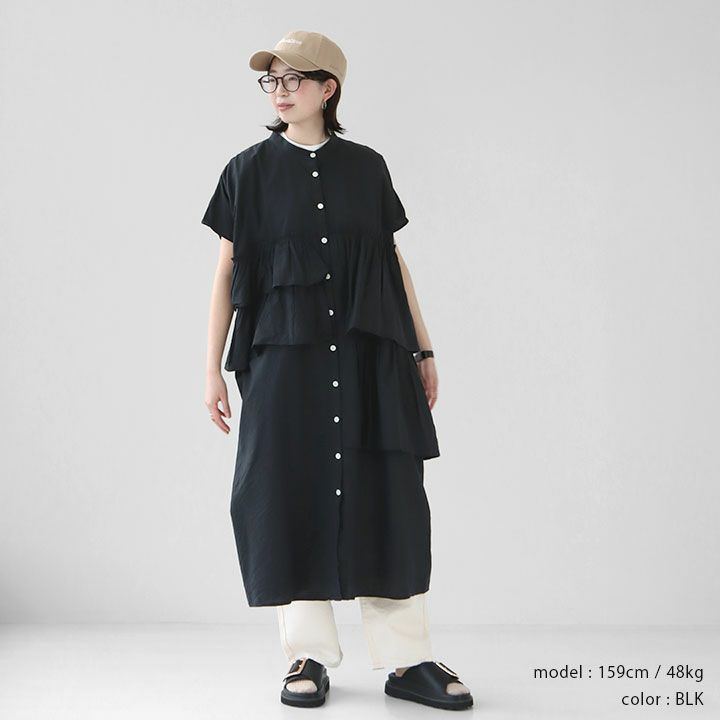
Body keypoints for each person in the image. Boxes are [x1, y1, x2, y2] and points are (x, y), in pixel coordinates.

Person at [201, 29, 473, 711]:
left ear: (329, 89)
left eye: (295, 78)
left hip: (370, 354)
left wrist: (424, 348)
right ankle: (307, 655)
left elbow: (391, 262)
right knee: (287, 490)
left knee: (390, 489)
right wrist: (210, 370)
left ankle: (408, 660)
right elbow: (226, 273)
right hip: (282, 359)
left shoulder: (367, 168)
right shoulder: (245, 173)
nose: (280, 90)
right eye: (272, 79)